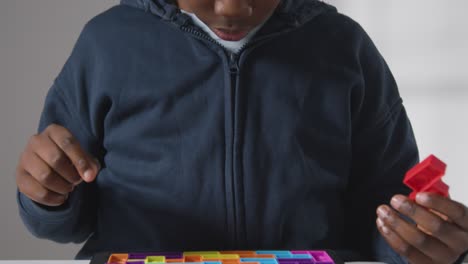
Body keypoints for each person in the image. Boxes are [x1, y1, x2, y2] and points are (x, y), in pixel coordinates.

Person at [15, 0, 468, 263]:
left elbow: (387, 215)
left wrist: (419, 244)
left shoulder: (344, 49)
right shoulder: (105, 43)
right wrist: (47, 195)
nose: (232, 7)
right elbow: (63, 217)